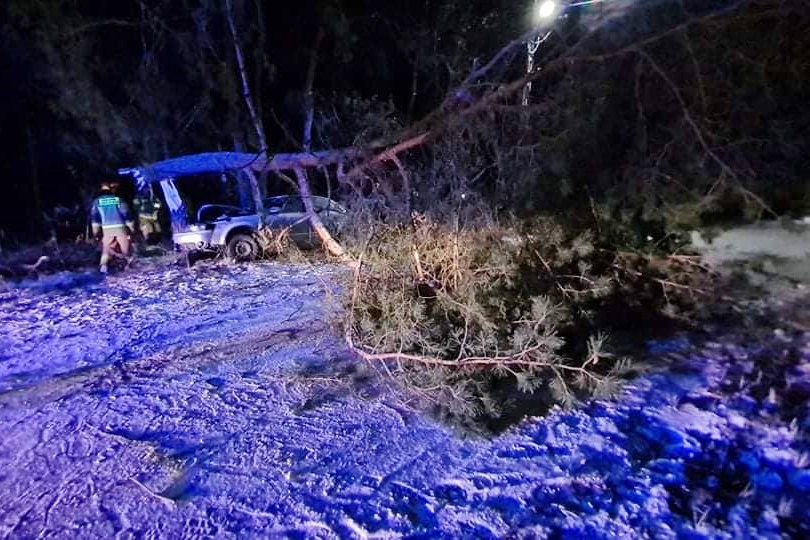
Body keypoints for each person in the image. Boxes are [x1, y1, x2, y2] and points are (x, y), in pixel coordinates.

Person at [89, 181, 135, 273]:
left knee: (106, 250)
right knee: (126, 250)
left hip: (106, 229)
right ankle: (128, 269)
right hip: (121, 228)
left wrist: (96, 234)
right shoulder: (118, 200)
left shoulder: (96, 202)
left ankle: (103, 269)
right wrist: (132, 229)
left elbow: (95, 219)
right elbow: (127, 215)